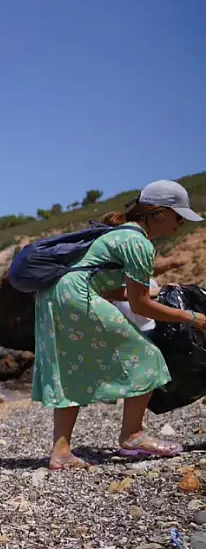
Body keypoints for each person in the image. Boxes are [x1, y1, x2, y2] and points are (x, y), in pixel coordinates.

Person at [31, 179, 206, 470]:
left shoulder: (120, 234)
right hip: (75, 296)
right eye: (178, 217)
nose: (180, 226)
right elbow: (140, 307)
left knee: (71, 368)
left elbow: (106, 288)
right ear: (159, 213)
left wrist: (141, 293)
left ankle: (60, 452)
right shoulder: (138, 242)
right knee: (147, 356)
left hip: (55, 295)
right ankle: (133, 435)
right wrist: (193, 318)